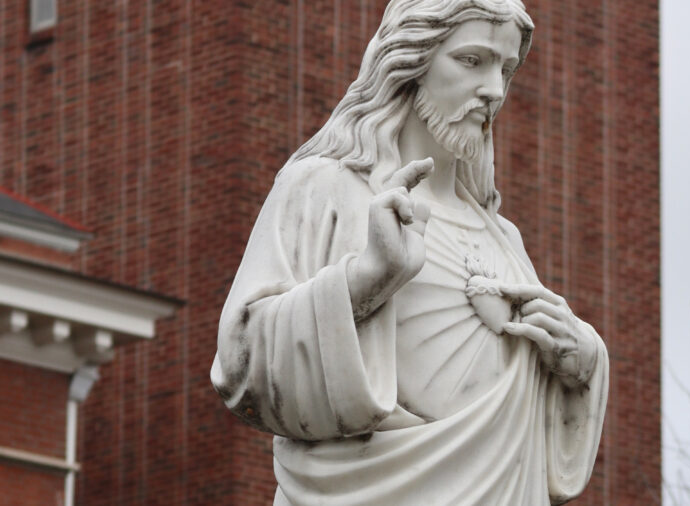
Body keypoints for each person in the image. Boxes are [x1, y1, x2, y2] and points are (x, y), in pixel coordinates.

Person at [211, 0, 609, 504]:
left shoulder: (503, 239)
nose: (494, 89)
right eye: (472, 60)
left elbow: (531, 437)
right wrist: (365, 279)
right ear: (410, 62)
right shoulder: (326, 189)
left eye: (506, 69)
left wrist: (581, 363)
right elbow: (241, 360)